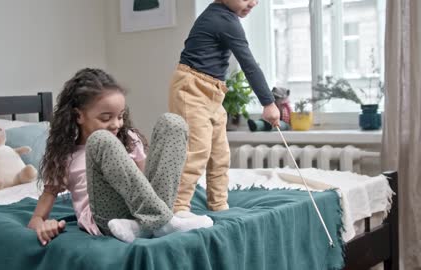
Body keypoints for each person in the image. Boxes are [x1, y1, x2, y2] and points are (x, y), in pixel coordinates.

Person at [27, 68, 213, 244]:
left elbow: (147, 183)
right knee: (101, 140)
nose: (117, 124)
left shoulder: (129, 139)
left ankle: (145, 225)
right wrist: (44, 224)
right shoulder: (65, 156)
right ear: (78, 116)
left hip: (140, 210)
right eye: (106, 118)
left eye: (121, 116)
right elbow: (36, 218)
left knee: (173, 123)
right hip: (108, 219)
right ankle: (165, 222)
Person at [169, 0, 281, 214]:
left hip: (214, 91)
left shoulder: (227, 17)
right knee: (197, 151)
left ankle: (219, 204)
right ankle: (178, 207)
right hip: (191, 88)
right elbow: (248, 64)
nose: (253, 2)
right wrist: (268, 102)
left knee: (220, 154)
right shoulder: (223, 19)